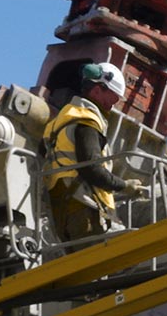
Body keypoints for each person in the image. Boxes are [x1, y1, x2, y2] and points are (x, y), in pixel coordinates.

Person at [42, 62, 148, 243]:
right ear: (98, 90)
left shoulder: (63, 119)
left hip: (62, 210)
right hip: (83, 209)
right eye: (112, 99)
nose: (112, 106)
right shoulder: (87, 121)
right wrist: (125, 186)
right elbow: (92, 169)